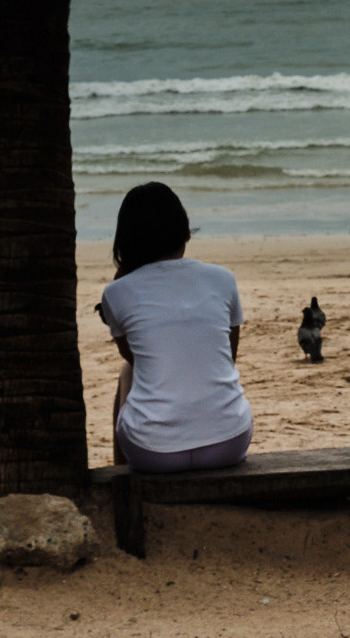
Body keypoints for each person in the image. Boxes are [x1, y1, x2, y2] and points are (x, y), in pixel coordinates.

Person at [97, 182, 252, 472]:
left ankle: (122, 477)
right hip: (228, 443)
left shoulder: (116, 293)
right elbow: (228, 357)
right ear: (186, 232)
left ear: (126, 240)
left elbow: (135, 358)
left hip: (151, 452)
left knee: (128, 372)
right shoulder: (223, 279)